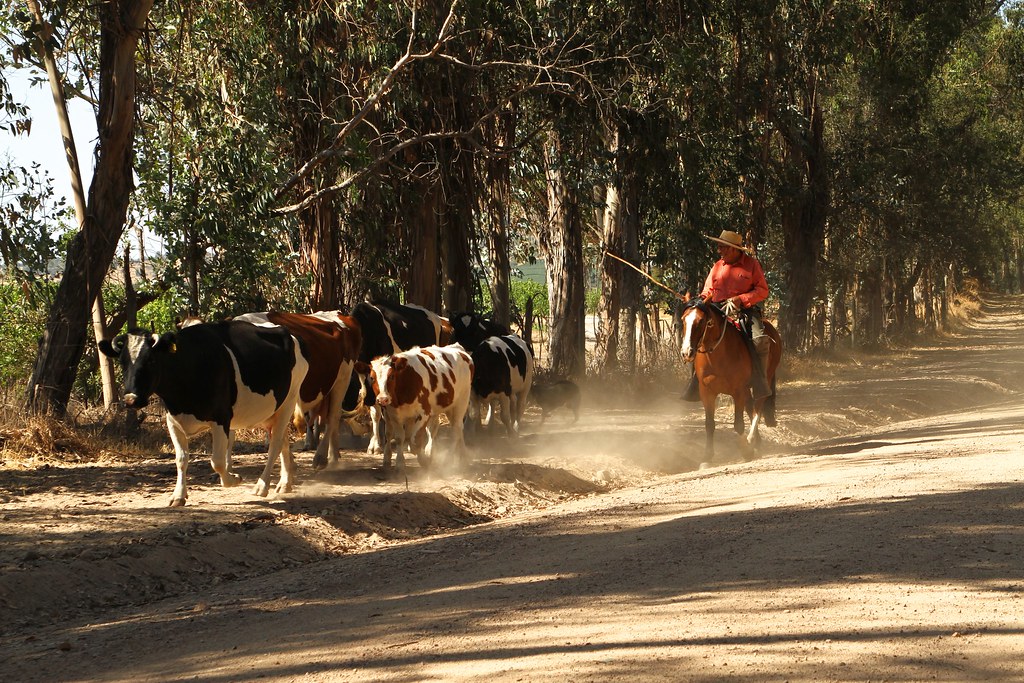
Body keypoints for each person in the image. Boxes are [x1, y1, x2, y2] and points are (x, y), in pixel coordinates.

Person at [683, 229, 772, 401]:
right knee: (696, 337)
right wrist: (699, 301)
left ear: (734, 249)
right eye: (719, 247)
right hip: (716, 309)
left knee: (760, 340)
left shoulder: (752, 265)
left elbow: (763, 290)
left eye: (723, 247)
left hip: (744, 310)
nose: (719, 250)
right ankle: (696, 381)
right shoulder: (717, 266)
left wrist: (741, 299)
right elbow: (707, 291)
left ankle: (760, 381)